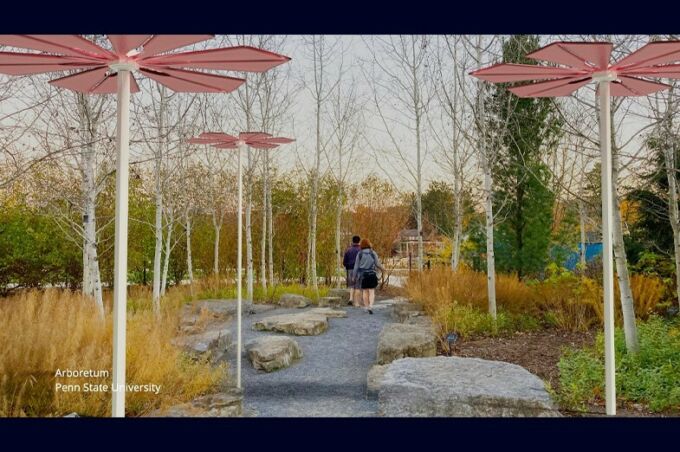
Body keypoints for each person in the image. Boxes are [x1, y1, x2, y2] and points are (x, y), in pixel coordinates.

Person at [352, 238, 385, 314]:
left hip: (363, 275)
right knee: (371, 291)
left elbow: (356, 266)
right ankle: (370, 306)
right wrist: (383, 269)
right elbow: (377, 264)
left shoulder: (359, 254)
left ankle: (366, 307)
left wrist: (354, 276)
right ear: (369, 244)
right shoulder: (373, 253)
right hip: (372, 274)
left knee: (365, 291)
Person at [343, 235, 362, 306]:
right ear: (359, 241)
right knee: (357, 286)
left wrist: (347, 266)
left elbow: (344, 262)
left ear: (352, 241)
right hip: (359, 270)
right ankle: (356, 303)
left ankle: (351, 298)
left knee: (351, 285)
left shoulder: (348, 250)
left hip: (350, 269)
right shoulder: (361, 250)